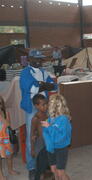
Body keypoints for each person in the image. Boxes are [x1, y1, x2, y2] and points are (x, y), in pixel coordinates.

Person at [19, 49, 57, 179]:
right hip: (32, 107)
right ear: (29, 59)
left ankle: (45, 163)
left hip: (43, 107)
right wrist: (43, 85)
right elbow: (29, 88)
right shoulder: (24, 73)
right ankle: (32, 167)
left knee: (46, 135)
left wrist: (42, 85)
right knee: (32, 138)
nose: (38, 61)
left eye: (40, 59)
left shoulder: (43, 71)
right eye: (36, 59)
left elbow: (53, 86)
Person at [41, 94, 72, 180]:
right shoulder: (51, 118)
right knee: (53, 170)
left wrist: (49, 127)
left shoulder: (64, 119)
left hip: (61, 148)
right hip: (51, 148)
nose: (48, 106)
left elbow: (61, 137)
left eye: (50, 104)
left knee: (60, 172)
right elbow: (47, 134)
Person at [31, 94, 49, 180]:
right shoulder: (36, 118)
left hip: (48, 143)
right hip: (40, 145)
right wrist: (32, 149)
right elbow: (32, 134)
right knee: (40, 168)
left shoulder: (47, 115)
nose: (46, 106)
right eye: (43, 105)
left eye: (46, 104)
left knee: (48, 166)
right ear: (36, 106)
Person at [0, 96, 19, 180]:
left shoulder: (5, 112)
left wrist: (1, 116)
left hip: (6, 138)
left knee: (9, 155)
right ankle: (1, 176)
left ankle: (10, 170)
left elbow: (8, 124)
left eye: (0, 103)